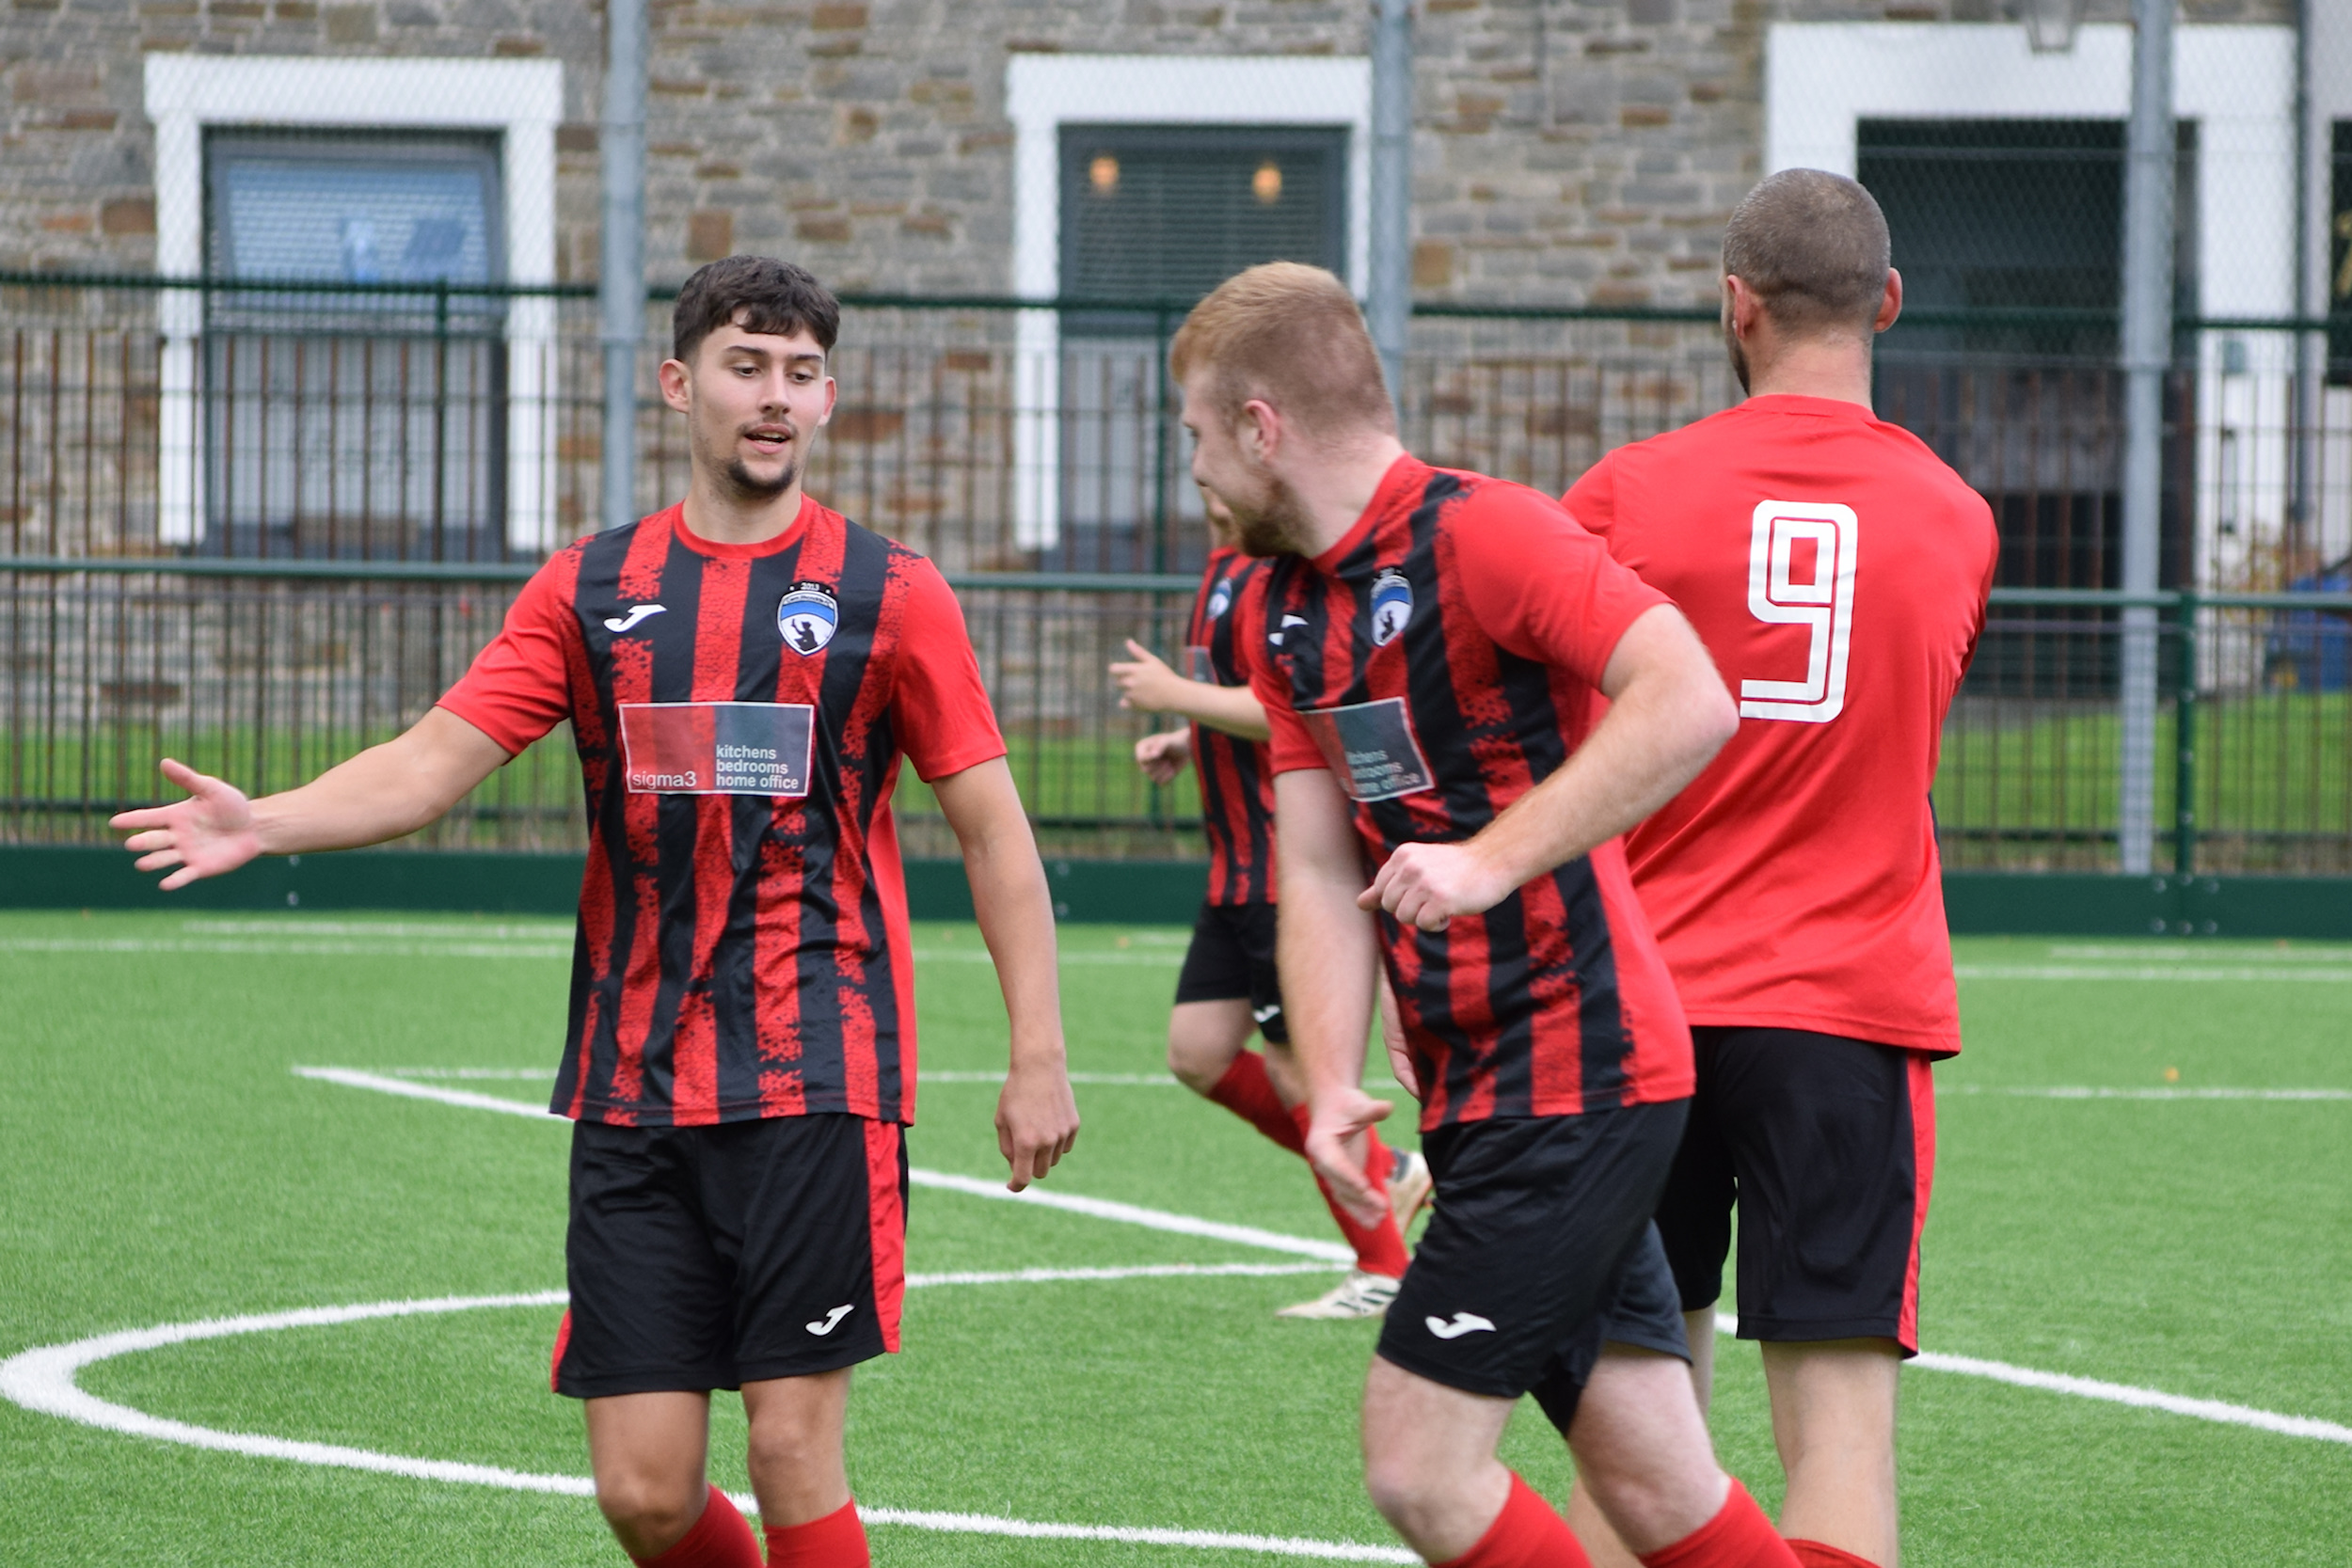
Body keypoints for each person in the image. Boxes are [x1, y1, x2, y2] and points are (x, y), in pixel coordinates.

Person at [110, 255, 1080, 1568]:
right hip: (633, 1090)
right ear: (680, 383)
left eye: (801, 373)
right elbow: (432, 759)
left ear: (829, 398)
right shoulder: (589, 586)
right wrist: (264, 817)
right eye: (747, 365)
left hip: (818, 1081)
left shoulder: (889, 592)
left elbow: (992, 832)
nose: (775, 397)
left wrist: (1038, 1053)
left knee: (793, 1448)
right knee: (642, 1488)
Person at [1176, 260, 1798, 1568]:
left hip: (1580, 1076)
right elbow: (1311, 868)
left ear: (1258, 425)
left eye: (1193, 434)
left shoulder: (1484, 533)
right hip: (1474, 1094)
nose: (1193, 473)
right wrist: (1331, 1079)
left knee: (1417, 1461)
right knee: (1656, 1474)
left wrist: (1489, 858)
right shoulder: (1284, 611)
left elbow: (1690, 697)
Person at [1558, 170, 1997, 1568]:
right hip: (1850, 1013)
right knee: (1842, 1435)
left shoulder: (1624, 494)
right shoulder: (1958, 516)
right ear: (1888, 302)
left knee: (1638, 1422)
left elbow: (1534, 730)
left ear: (1732, 304)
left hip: (1646, 1009)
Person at [1109, 488, 1432, 1319]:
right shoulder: (1222, 564)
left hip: (1278, 873)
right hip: (1232, 871)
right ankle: (1388, 1173)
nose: (1201, 469)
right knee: (1198, 1049)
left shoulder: (1272, 575)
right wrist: (1190, 736)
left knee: (1299, 1072)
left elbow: (1278, 706)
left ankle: (1383, 1266)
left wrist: (1174, 696)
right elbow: (1243, 701)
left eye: (1209, 441)